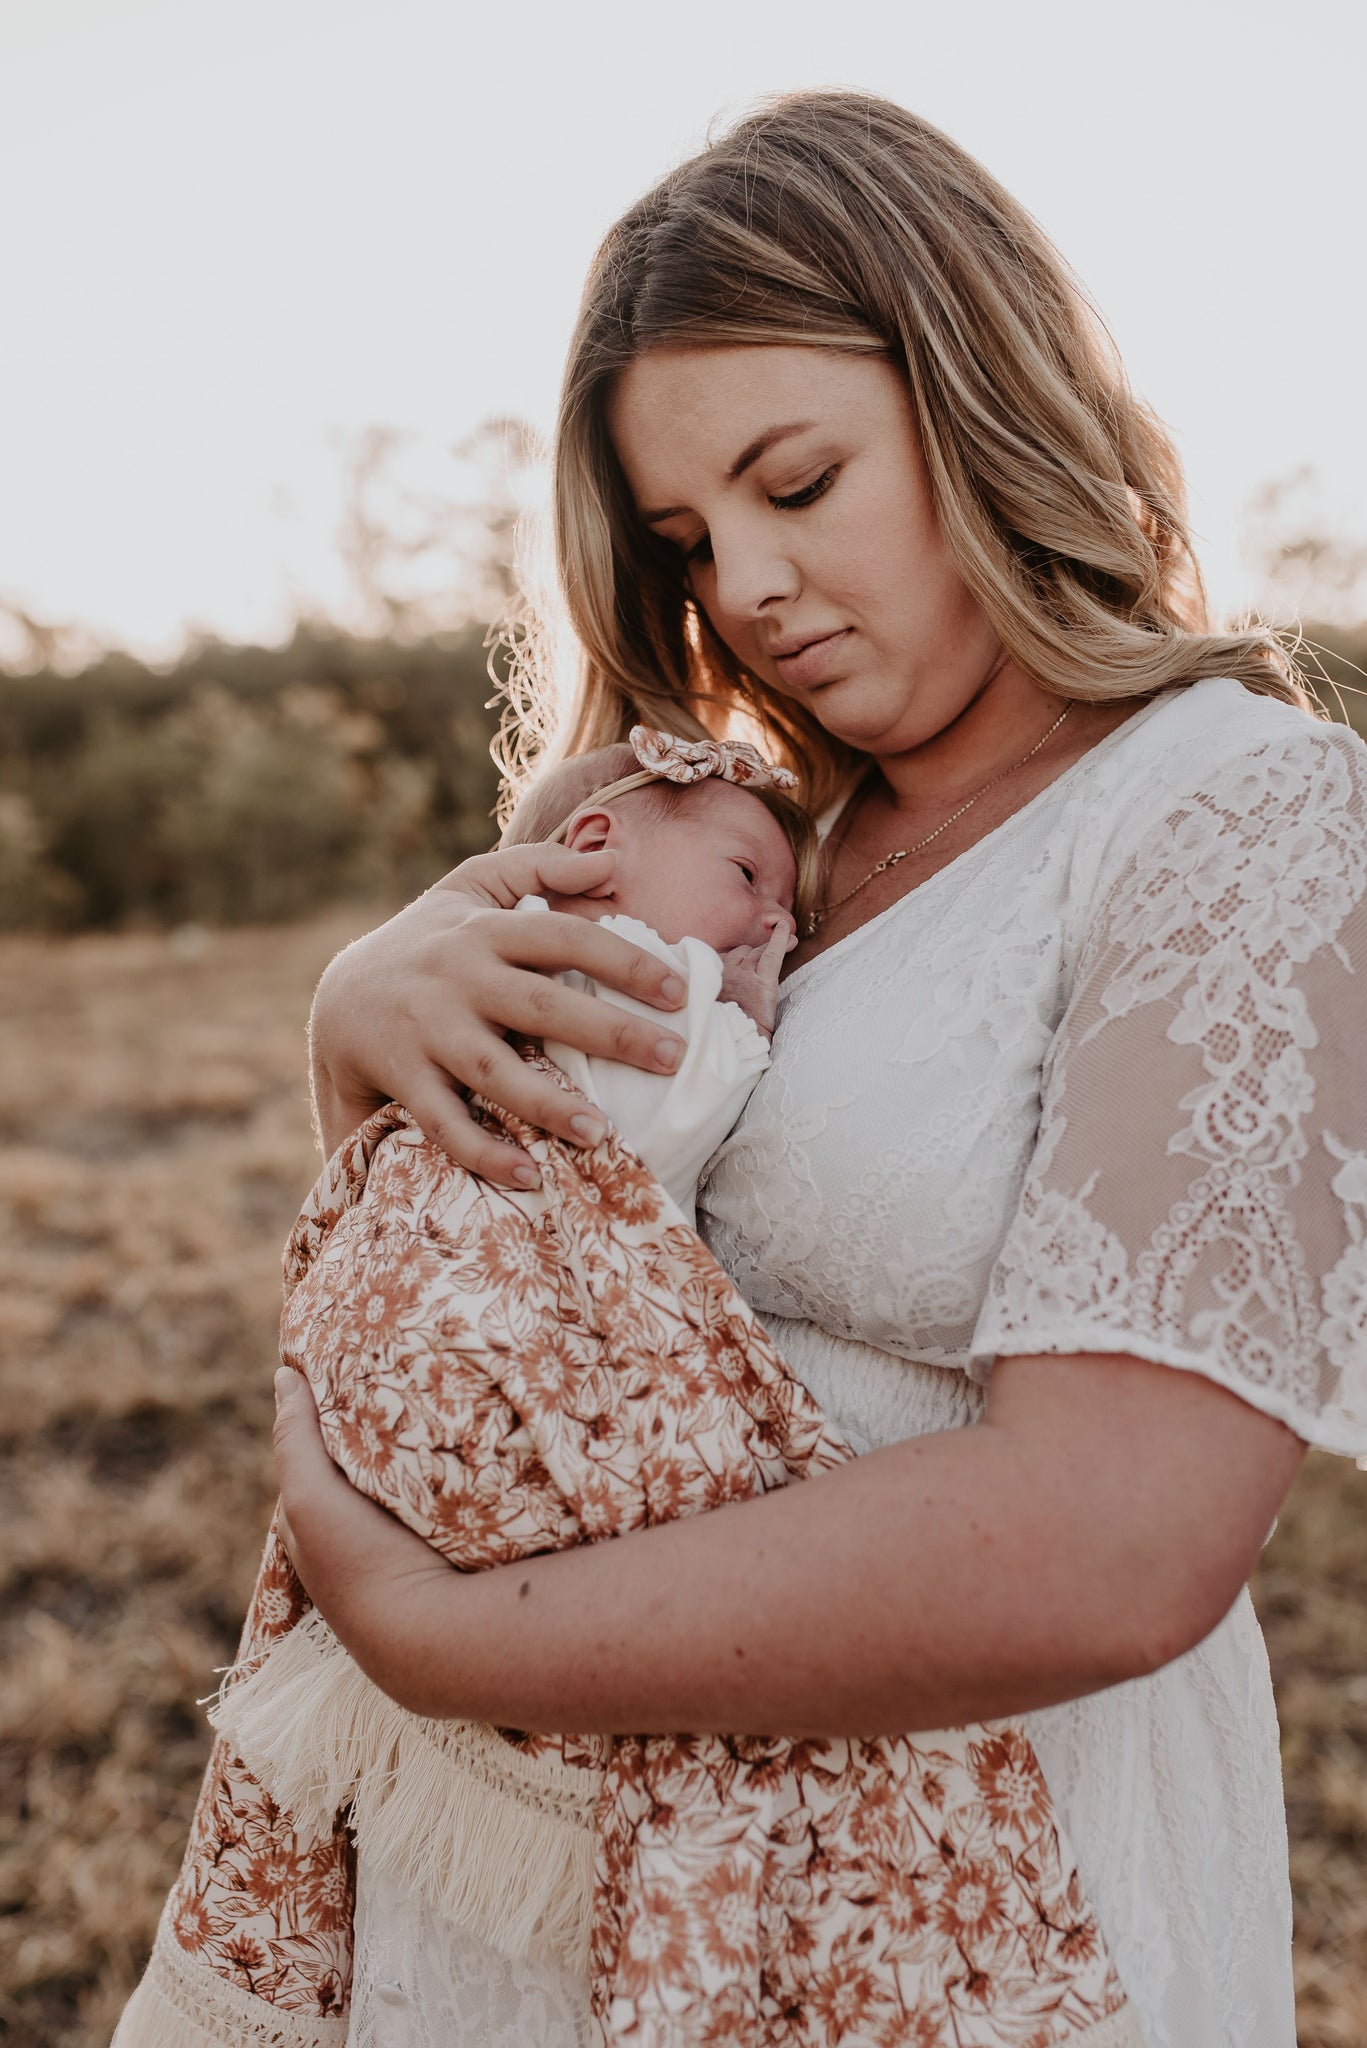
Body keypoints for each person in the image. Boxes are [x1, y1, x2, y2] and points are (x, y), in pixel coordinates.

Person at [269, 90, 1366, 2048]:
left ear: (986, 390)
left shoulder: (1236, 813)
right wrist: (363, 1023)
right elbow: (536, 1237)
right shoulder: (751, 844)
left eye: (800, 480)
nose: (746, 587)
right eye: (690, 538)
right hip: (621, 1866)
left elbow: (1120, 1538)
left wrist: (445, 1636)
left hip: (983, 1864)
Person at [112, 727, 1138, 2048]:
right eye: (747, 873)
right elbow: (666, 1116)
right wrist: (756, 1012)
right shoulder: (623, 986)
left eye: (782, 900)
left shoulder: (490, 955)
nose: (774, 915)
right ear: (594, 848)